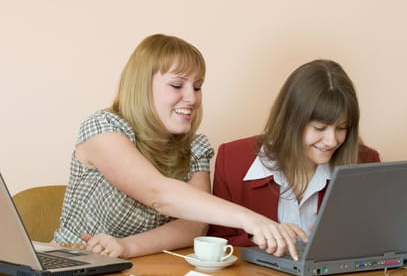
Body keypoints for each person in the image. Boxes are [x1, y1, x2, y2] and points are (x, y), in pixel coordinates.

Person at [52, 34, 306, 260]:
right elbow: (158, 194)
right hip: (74, 264)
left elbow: (194, 226)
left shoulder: (195, 147)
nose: (192, 98)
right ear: (141, 87)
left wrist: (125, 247)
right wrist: (252, 220)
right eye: (177, 85)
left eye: (197, 87)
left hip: (142, 271)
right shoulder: (103, 128)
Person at [207, 59, 381, 246]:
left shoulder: (366, 163)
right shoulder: (233, 159)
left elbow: (380, 241)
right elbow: (216, 243)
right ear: (291, 121)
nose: (332, 141)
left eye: (342, 128)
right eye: (320, 128)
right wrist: (258, 237)